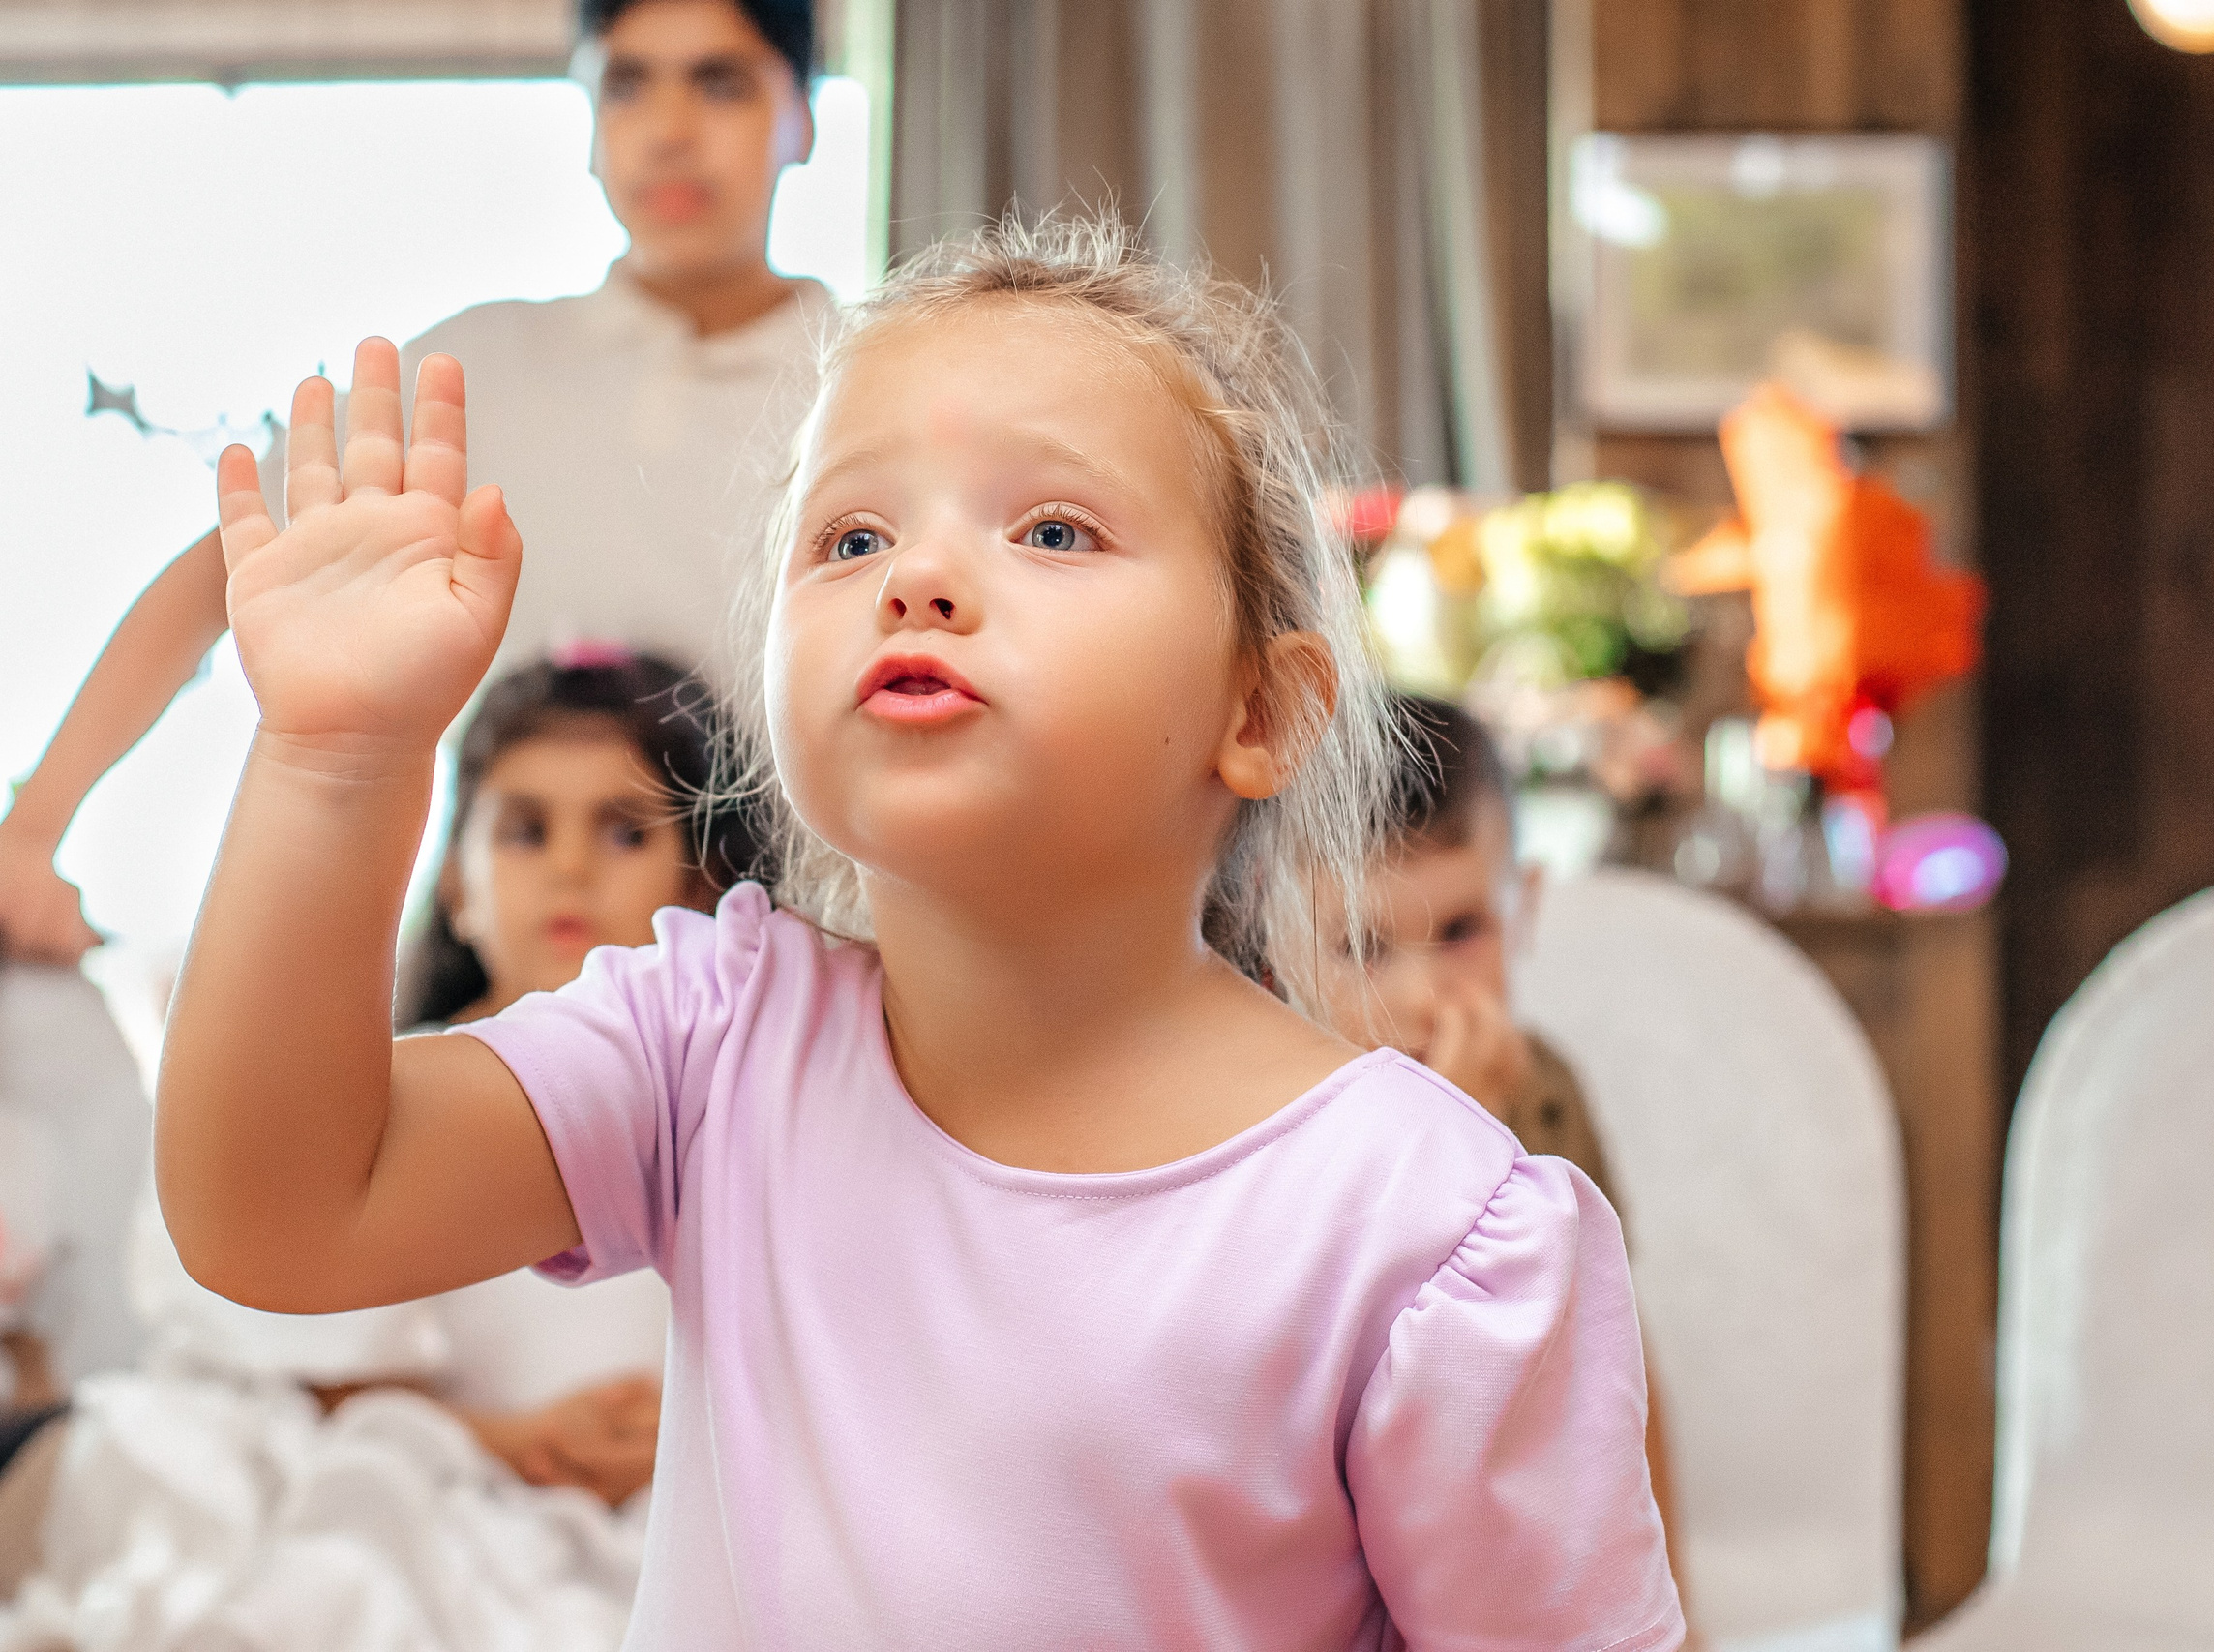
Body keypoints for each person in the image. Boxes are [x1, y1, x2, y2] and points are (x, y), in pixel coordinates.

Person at [155, 216, 1686, 1648]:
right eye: (851, 536)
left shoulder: (1426, 1229)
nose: (920, 580)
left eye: (1056, 528)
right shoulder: (708, 1046)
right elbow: (283, 1208)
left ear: (1261, 706)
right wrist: (338, 761)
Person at [0, 0, 829, 965]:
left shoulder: (863, 383)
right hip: (503, 985)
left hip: (792, 978)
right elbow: (219, 577)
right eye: (627, 84)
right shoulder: (473, 371)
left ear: (799, 116)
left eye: (721, 82)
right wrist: (31, 832)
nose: (671, 130)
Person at [0, 650, 761, 1641]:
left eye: (624, 831)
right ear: (455, 883)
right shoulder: (385, 1092)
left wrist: (684, 1444)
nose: (569, 867)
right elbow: (296, 1366)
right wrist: (511, 1441)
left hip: (629, 1532)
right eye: (524, 830)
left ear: (702, 884)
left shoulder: (737, 1119)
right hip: (416, 1490)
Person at [1326, 689, 1698, 1624]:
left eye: (1461, 931)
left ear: (1521, 905)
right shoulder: (1276, 1112)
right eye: (1364, 945)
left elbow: (1613, 1381)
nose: (1421, 994)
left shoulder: (1541, 1092)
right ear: (1269, 932)